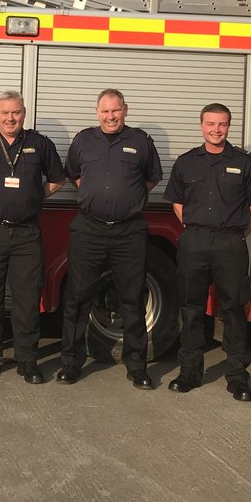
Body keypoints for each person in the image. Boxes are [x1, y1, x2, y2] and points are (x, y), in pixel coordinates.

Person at [58, 88, 163, 387]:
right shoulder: (83, 140)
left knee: (131, 299)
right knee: (78, 298)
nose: (110, 116)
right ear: (97, 113)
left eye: (115, 110)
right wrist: (97, 197)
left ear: (125, 110)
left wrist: (126, 200)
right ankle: (71, 362)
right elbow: (75, 175)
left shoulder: (140, 141)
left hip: (128, 231)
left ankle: (136, 366)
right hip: (89, 228)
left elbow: (151, 178)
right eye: (105, 111)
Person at [164, 103, 251, 401]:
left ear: (229, 126)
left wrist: (236, 234)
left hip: (230, 243)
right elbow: (177, 203)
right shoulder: (186, 162)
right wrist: (195, 228)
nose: (216, 129)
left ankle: (237, 377)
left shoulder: (245, 162)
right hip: (194, 241)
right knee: (191, 307)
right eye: (210, 124)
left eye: (222, 124)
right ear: (201, 125)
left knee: (234, 310)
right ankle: (189, 372)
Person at [0, 91, 65, 384]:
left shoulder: (39, 144)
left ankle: (27, 361)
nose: (11, 118)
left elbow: (57, 179)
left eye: (16, 113)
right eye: (5, 113)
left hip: (26, 234)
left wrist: (34, 199)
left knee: (26, 299)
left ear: (24, 114)